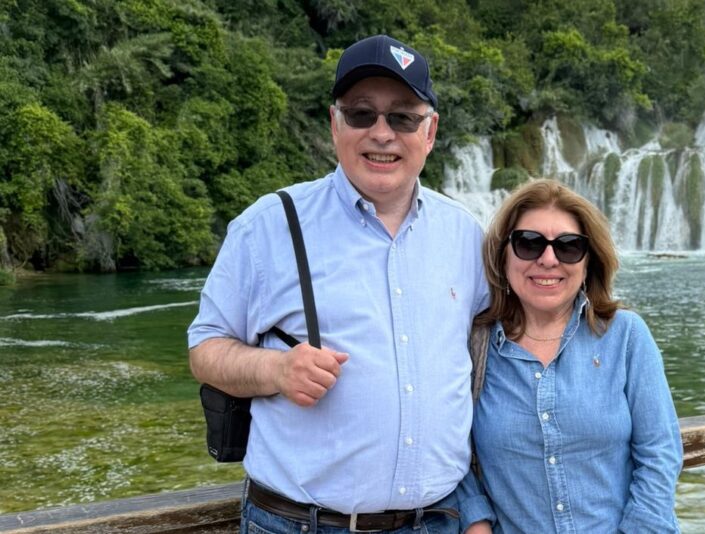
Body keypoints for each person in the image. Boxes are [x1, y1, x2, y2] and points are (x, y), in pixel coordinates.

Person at [187, 34, 494, 534]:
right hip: (298, 524)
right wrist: (275, 369)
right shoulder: (268, 226)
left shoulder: (466, 234)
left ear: (430, 132)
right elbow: (205, 349)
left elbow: (490, 366)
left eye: (403, 117)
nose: (382, 133)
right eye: (361, 114)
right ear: (335, 124)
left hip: (439, 521)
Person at [470, 179, 683, 533]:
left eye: (569, 247)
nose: (548, 259)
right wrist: (475, 522)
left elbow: (659, 454)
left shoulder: (626, 336)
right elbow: (451, 453)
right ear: (503, 255)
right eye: (529, 243)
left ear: (588, 262)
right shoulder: (476, 347)